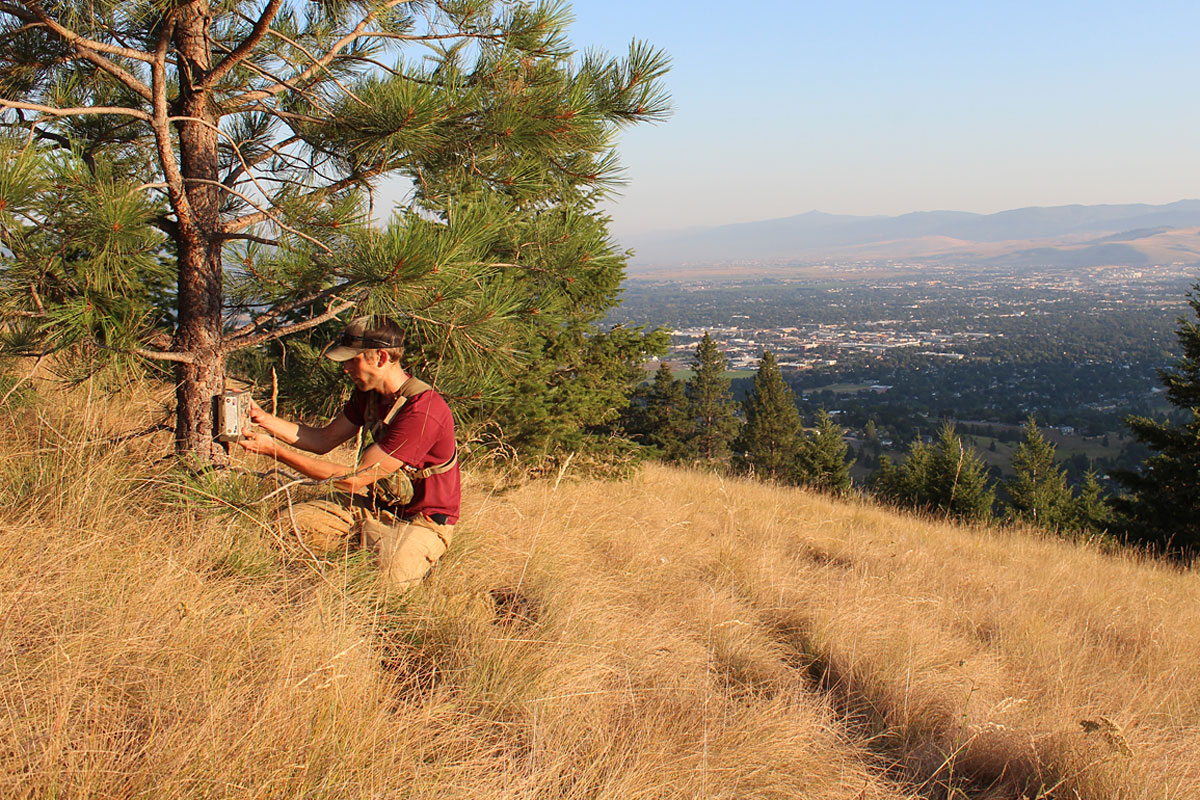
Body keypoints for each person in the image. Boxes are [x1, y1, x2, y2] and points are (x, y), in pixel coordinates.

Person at [238, 315, 460, 590]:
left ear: (380, 357)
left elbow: (354, 479)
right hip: (374, 509)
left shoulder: (423, 410)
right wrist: (263, 420)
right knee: (285, 526)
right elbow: (322, 440)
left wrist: (274, 452)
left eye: (352, 360)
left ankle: (413, 559)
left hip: (422, 523)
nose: (345, 369)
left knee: (382, 590)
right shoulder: (368, 395)